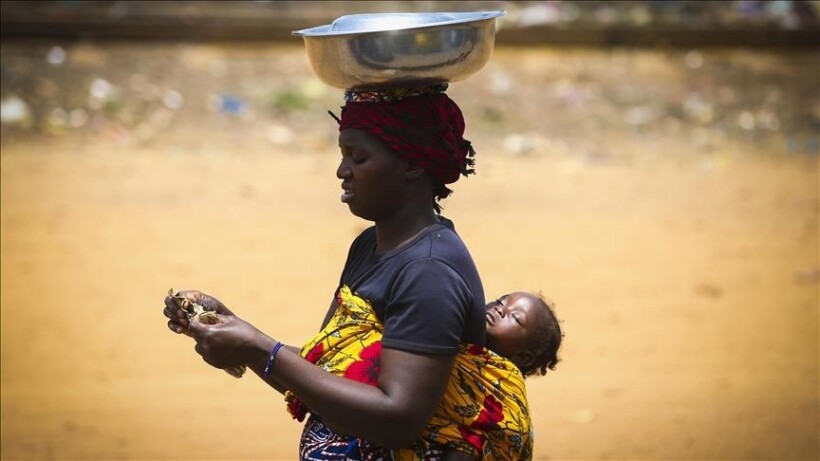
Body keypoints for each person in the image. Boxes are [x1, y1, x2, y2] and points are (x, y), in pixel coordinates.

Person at [164, 84, 492, 459]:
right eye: (343, 154)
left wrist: (257, 346)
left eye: (358, 157)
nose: (342, 171)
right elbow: (324, 374)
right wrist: (234, 329)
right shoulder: (369, 246)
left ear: (412, 164)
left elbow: (398, 418)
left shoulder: (428, 271)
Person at [283, 286, 563, 460]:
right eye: (501, 301)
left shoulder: (503, 392)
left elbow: (490, 441)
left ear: (522, 357)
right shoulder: (445, 346)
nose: (499, 310)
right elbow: (344, 372)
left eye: (514, 317)